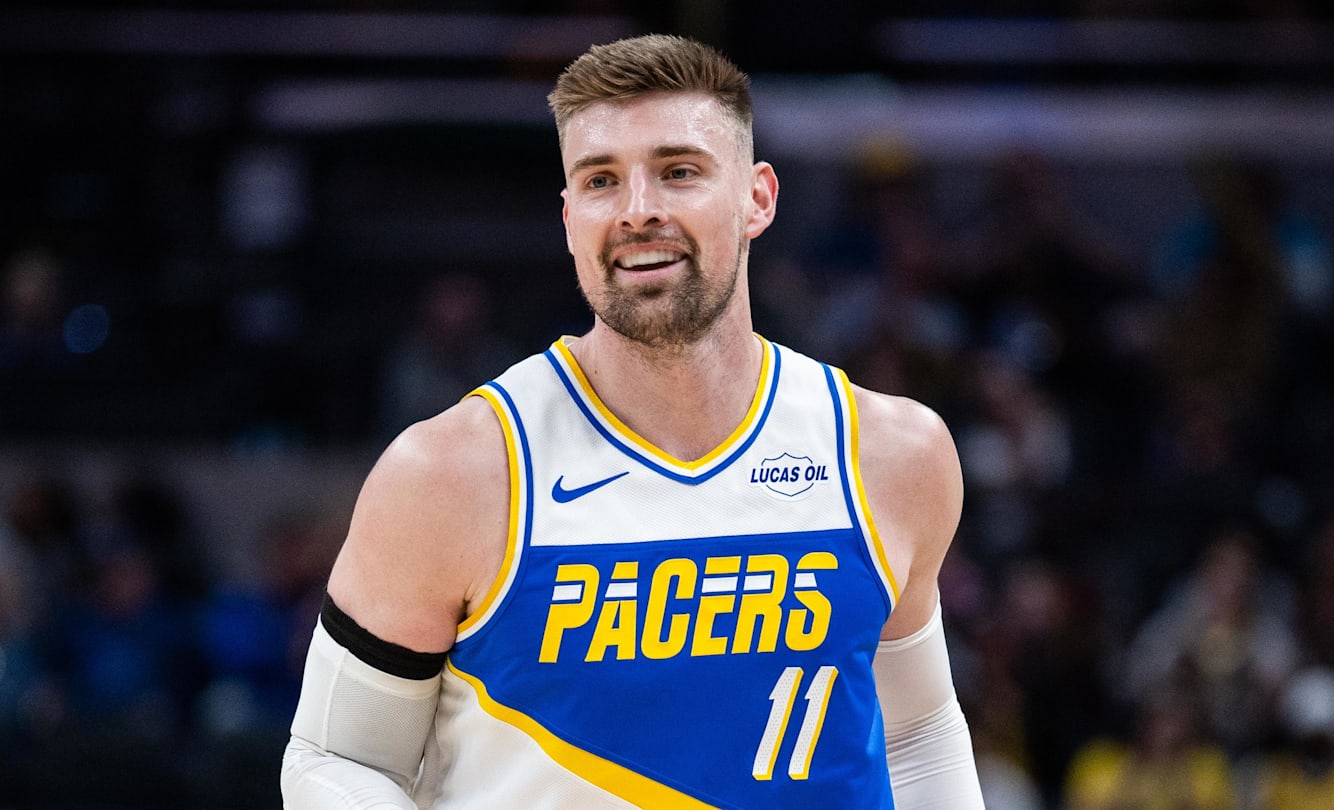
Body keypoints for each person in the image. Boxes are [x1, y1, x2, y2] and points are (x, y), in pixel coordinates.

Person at [280, 34, 985, 809]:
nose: (637, 210)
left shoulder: (890, 453)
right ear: (569, 218)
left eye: (678, 171)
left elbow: (917, 733)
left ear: (758, 199)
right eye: (601, 181)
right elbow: (333, 759)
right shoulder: (453, 472)